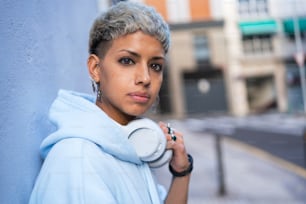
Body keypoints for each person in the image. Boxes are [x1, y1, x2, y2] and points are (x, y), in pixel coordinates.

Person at [29, 2, 193, 204]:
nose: (145, 78)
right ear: (96, 69)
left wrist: (181, 172)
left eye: (155, 66)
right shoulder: (78, 163)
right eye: (127, 61)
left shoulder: (128, 146)